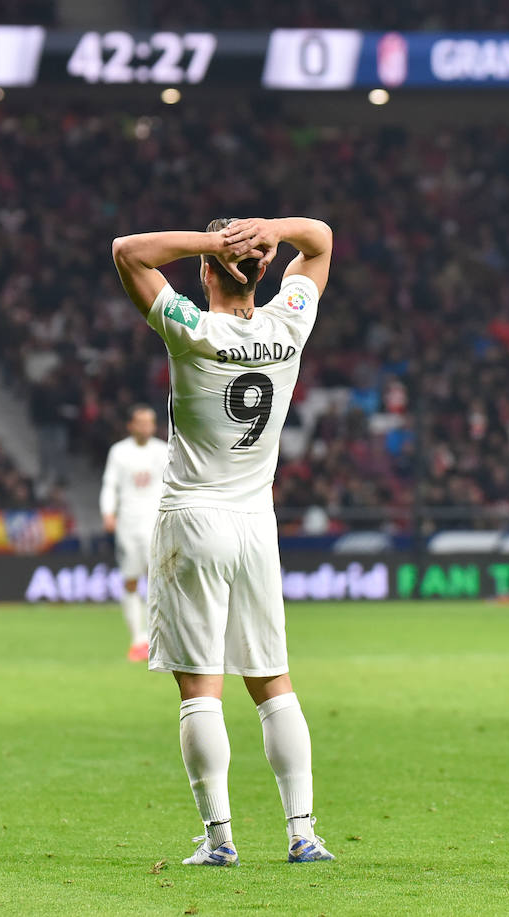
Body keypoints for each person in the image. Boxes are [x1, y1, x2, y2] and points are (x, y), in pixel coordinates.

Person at [111, 215, 335, 866]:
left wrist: (214, 241)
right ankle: (303, 831)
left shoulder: (192, 329)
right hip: (255, 524)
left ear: (208, 271)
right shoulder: (289, 321)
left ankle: (220, 839)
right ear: (265, 270)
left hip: (193, 518)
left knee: (200, 690)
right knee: (274, 684)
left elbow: (127, 251)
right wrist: (271, 229)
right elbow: (319, 238)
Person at [100, 404, 170, 662]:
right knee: (131, 579)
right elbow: (110, 484)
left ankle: (157, 637)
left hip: (156, 522)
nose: (146, 427)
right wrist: (108, 512)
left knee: (157, 580)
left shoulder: (163, 451)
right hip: (128, 524)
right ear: (131, 425)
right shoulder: (119, 452)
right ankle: (137, 639)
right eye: (140, 422)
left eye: (150, 422)